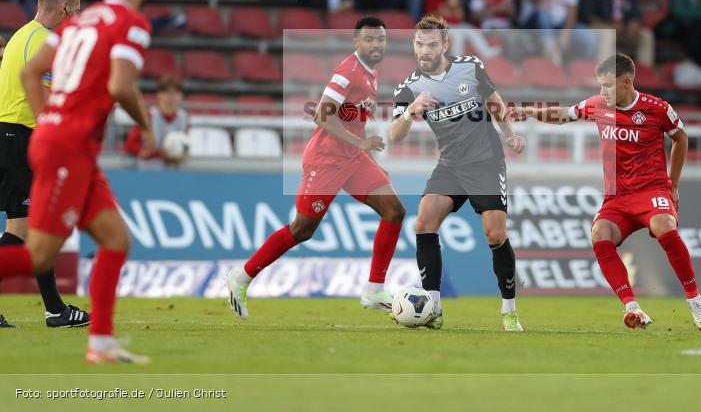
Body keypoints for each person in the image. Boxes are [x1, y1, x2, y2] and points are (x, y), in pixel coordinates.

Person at [0, 0, 155, 363]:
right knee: (37, 250)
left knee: (115, 240)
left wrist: (45, 120)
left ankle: (99, 341)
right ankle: (61, 315)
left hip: (48, 139)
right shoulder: (132, 25)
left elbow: (31, 74)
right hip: (58, 142)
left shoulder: (69, 27)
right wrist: (147, 126)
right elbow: (123, 86)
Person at [504, 53, 701, 331]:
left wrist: (672, 184)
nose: (602, 91)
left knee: (664, 225)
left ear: (627, 82)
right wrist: (529, 111)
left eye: (608, 85)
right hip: (617, 197)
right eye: (601, 85)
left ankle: (694, 299)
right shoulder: (598, 105)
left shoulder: (657, 108)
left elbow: (680, 138)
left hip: (651, 189)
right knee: (599, 234)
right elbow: (564, 115)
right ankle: (632, 307)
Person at [227, 17, 407, 318]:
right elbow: (323, 116)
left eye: (381, 39)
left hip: (352, 158)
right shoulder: (346, 73)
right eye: (370, 39)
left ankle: (375, 289)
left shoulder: (371, 74)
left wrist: (369, 160)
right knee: (303, 229)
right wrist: (360, 144)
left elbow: (355, 124)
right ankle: (241, 278)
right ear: (356, 42)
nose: (377, 45)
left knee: (394, 210)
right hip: (326, 160)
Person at [389, 16, 527, 331]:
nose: (424, 50)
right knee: (424, 221)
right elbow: (394, 135)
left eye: (432, 44)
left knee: (494, 233)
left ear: (445, 45)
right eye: (419, 43)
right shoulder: (409, 88)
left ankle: (509, 310)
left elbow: (494, 102)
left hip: (486, 161)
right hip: (450, 164)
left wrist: (509, 134)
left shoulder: (470, 66)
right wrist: (411, 111)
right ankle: (433, 308)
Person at [0, 0, 89, 330]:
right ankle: (55, 311)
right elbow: (48, 101)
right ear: (65, 8)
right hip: (24, 139)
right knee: (24, 229)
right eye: (76, 9)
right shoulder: (45, 42)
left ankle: (55, 310)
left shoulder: (21, 35)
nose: (76, 15)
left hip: (10, 136)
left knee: (32, 228)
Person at [592, 0, 655, 66]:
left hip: (622, 30)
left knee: (646, 35)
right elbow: (588, 15)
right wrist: (610, 25)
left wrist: (634, 23)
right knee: (608, 34)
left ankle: (645, 75)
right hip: (601, 26)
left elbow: (636, 14)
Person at [123, 74, 188, 169]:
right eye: (167, 92)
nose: (171, 97)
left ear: (181, 96)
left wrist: (178, 155)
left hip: (173, 174)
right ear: (159, 95)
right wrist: (155, 153)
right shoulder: (148, 116)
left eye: (175, 92)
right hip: (149, 173)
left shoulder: (183, 118)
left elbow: (185, 146)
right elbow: (130, 146)